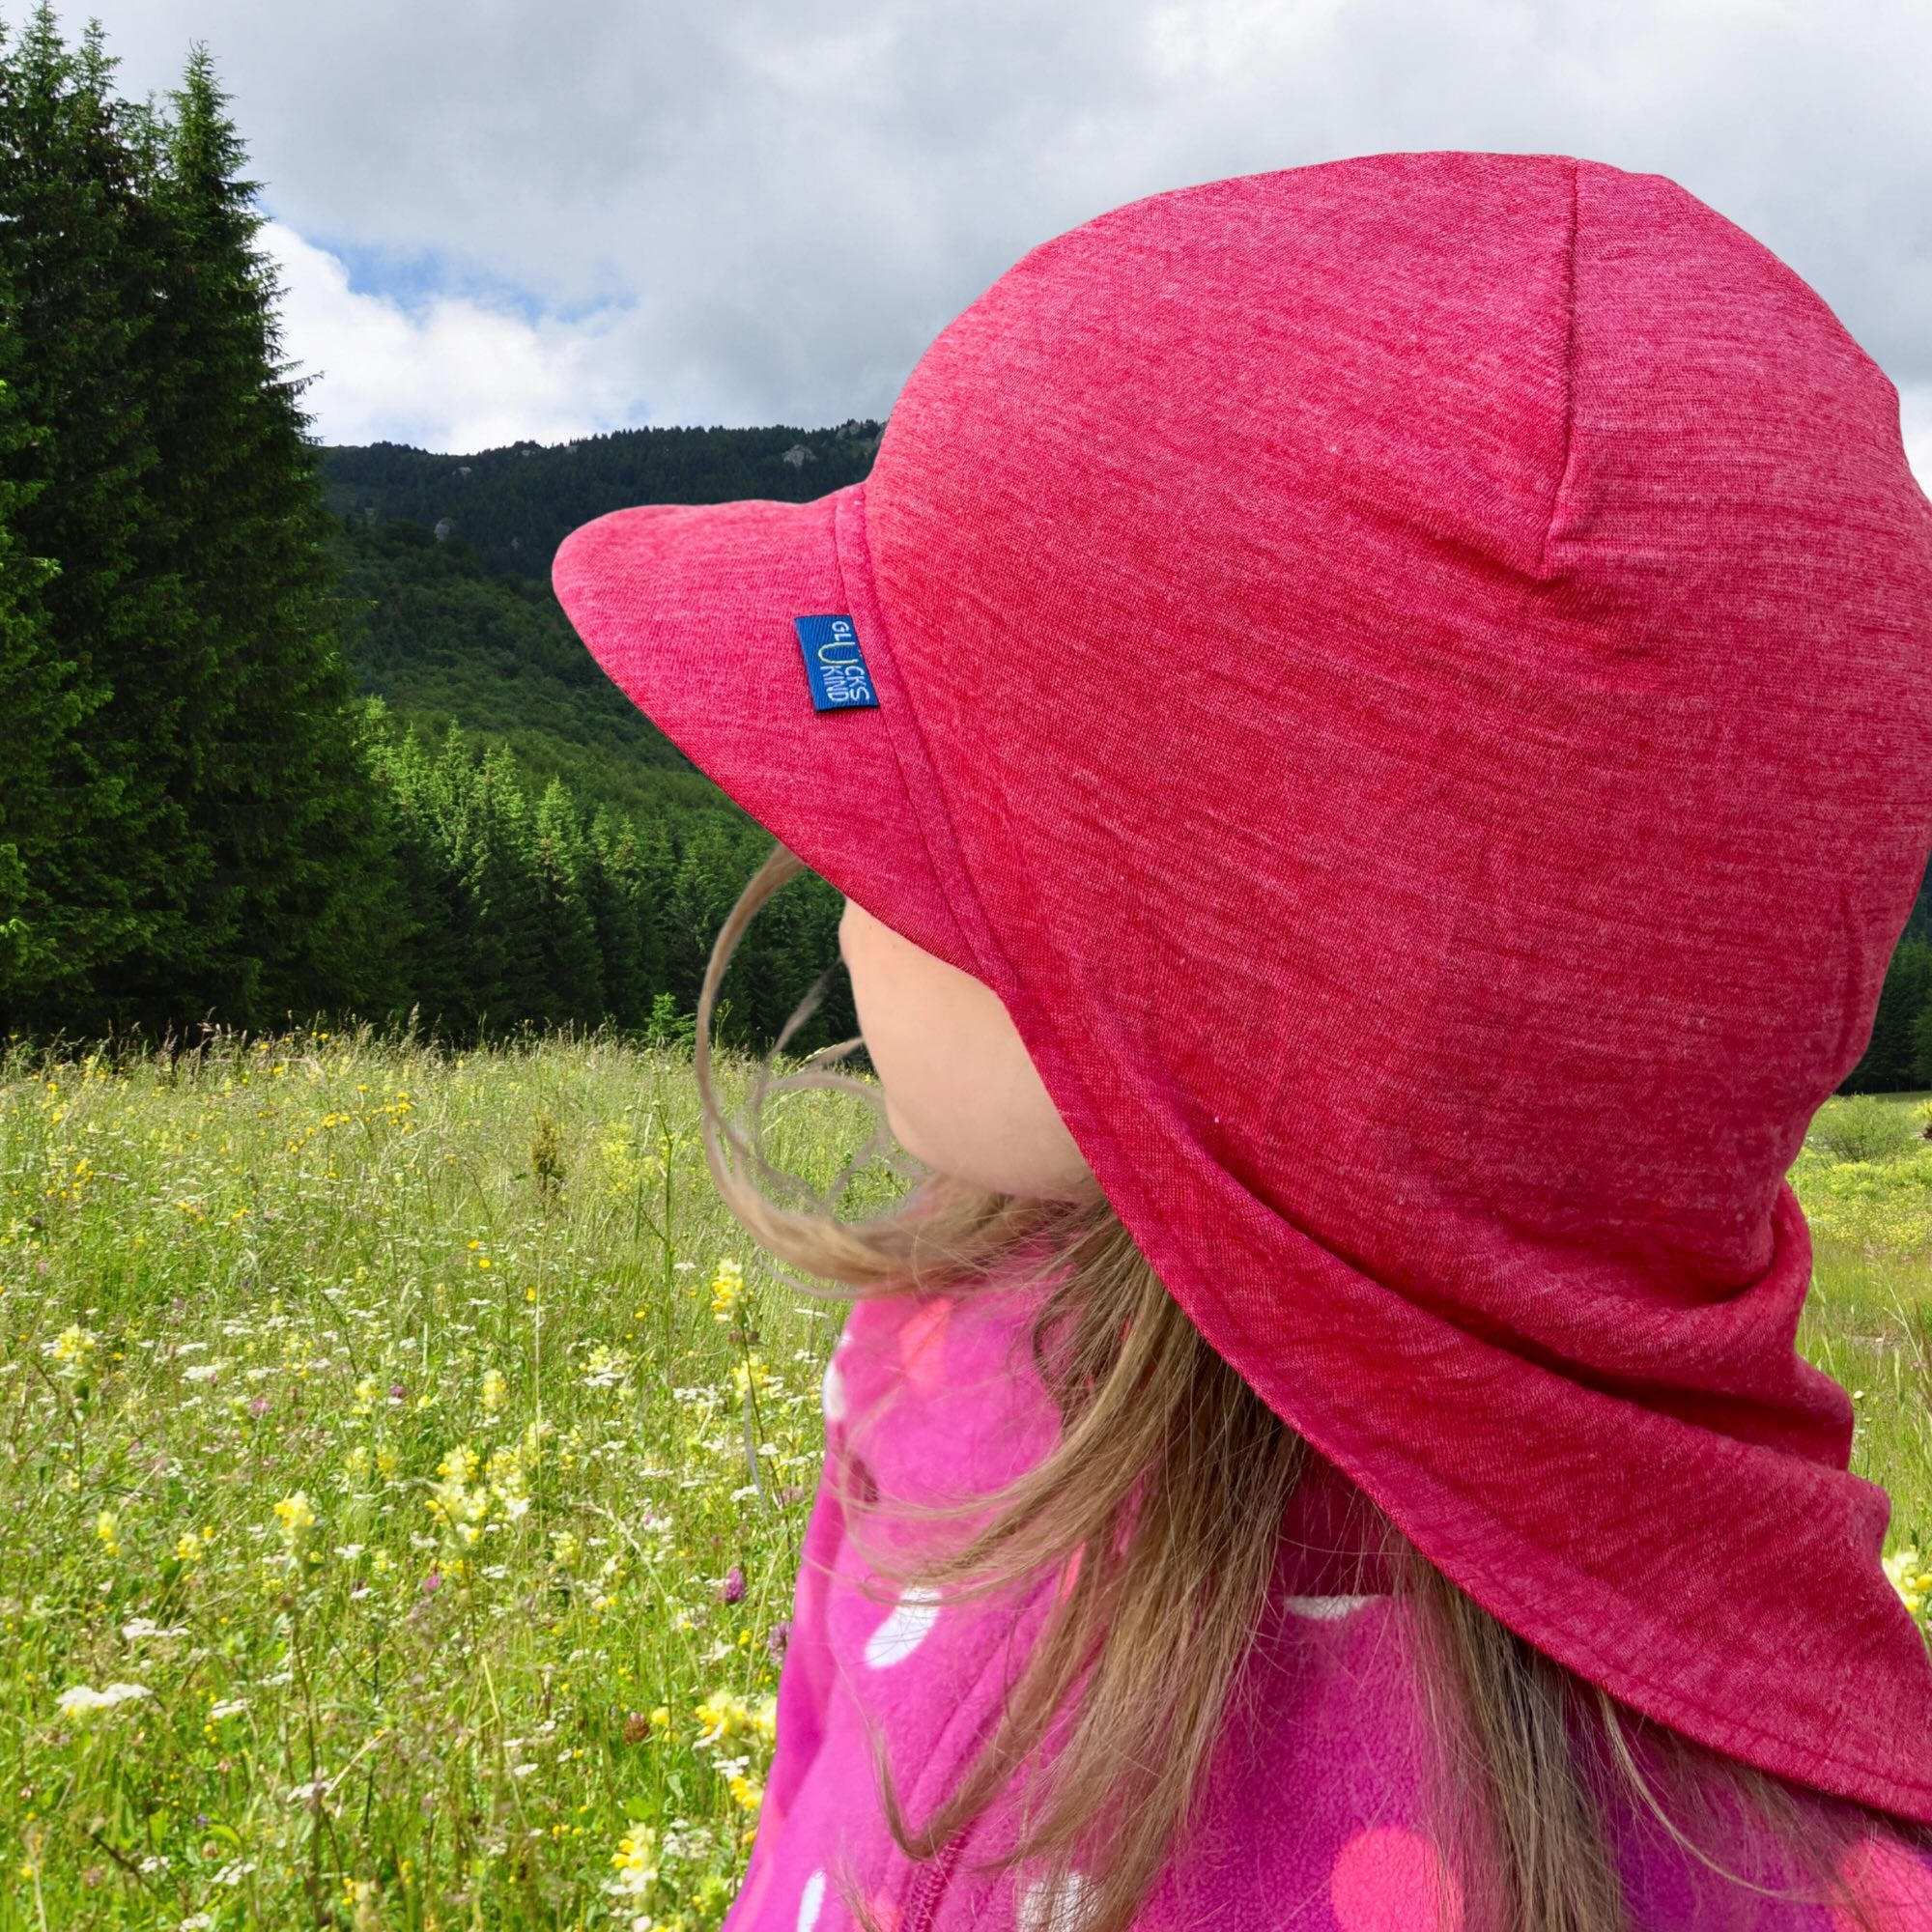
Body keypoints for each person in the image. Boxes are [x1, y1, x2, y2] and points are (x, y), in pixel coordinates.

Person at [554, 152, 1932, 1932]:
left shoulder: (1790, 1878)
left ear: (1271, 1000)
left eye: (932, 822)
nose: (828, 863)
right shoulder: (937, 1347)